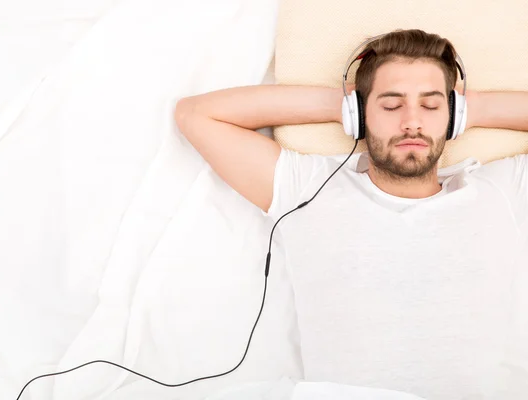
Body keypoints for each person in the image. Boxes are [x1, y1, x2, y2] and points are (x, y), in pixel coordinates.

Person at [174, 29, 528, 399]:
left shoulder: (500, 190)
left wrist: (476, 109)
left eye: (431, 105)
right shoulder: (310, 188)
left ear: (453, 115)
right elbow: (196, 115)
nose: (412, 122)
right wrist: (340, 104)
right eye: (391, 105)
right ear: (360, 115)